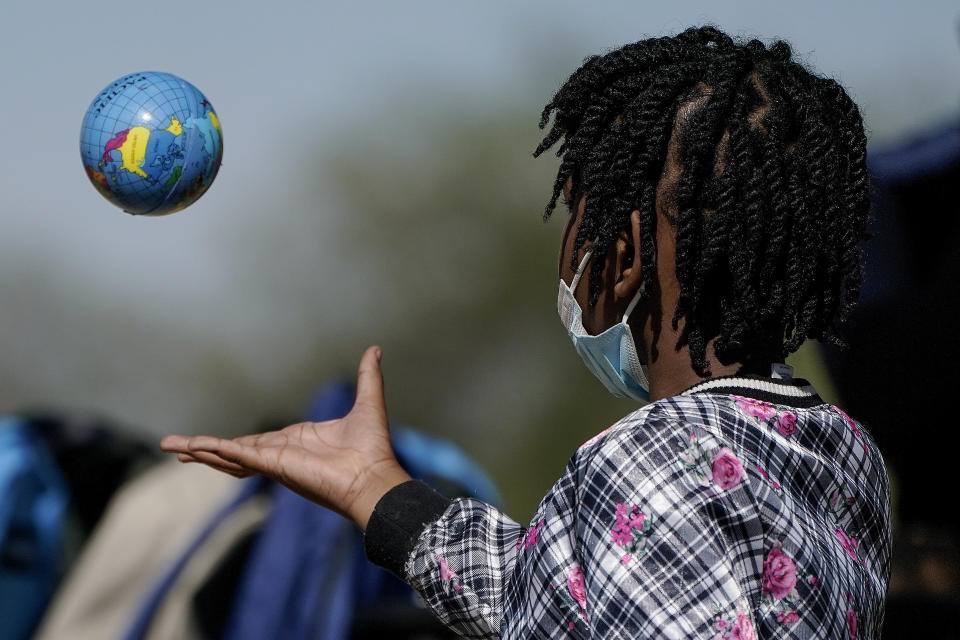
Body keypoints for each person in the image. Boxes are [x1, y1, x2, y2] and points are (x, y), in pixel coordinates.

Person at [162, 26, 890, 639]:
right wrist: (379, 493)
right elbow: (553, 599)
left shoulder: (649, 463)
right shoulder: (842, 454)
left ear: (625, 255)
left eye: (577, 212)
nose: (569, 244)